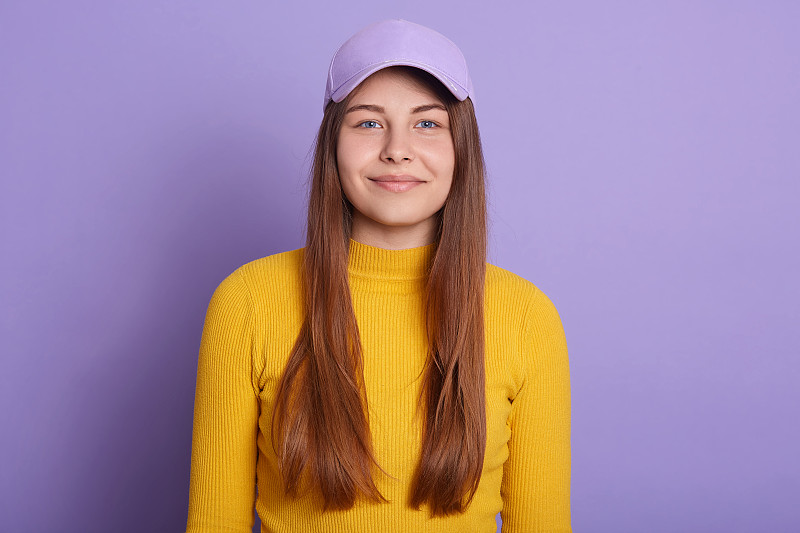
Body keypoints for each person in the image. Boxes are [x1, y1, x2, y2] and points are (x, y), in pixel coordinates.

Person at [186, 19, 571, 533]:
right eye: (368, 123)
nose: (397, 149)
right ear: (332, 144)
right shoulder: (248, 302)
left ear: (463, 147)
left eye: (427, 123)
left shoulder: (526, 317)